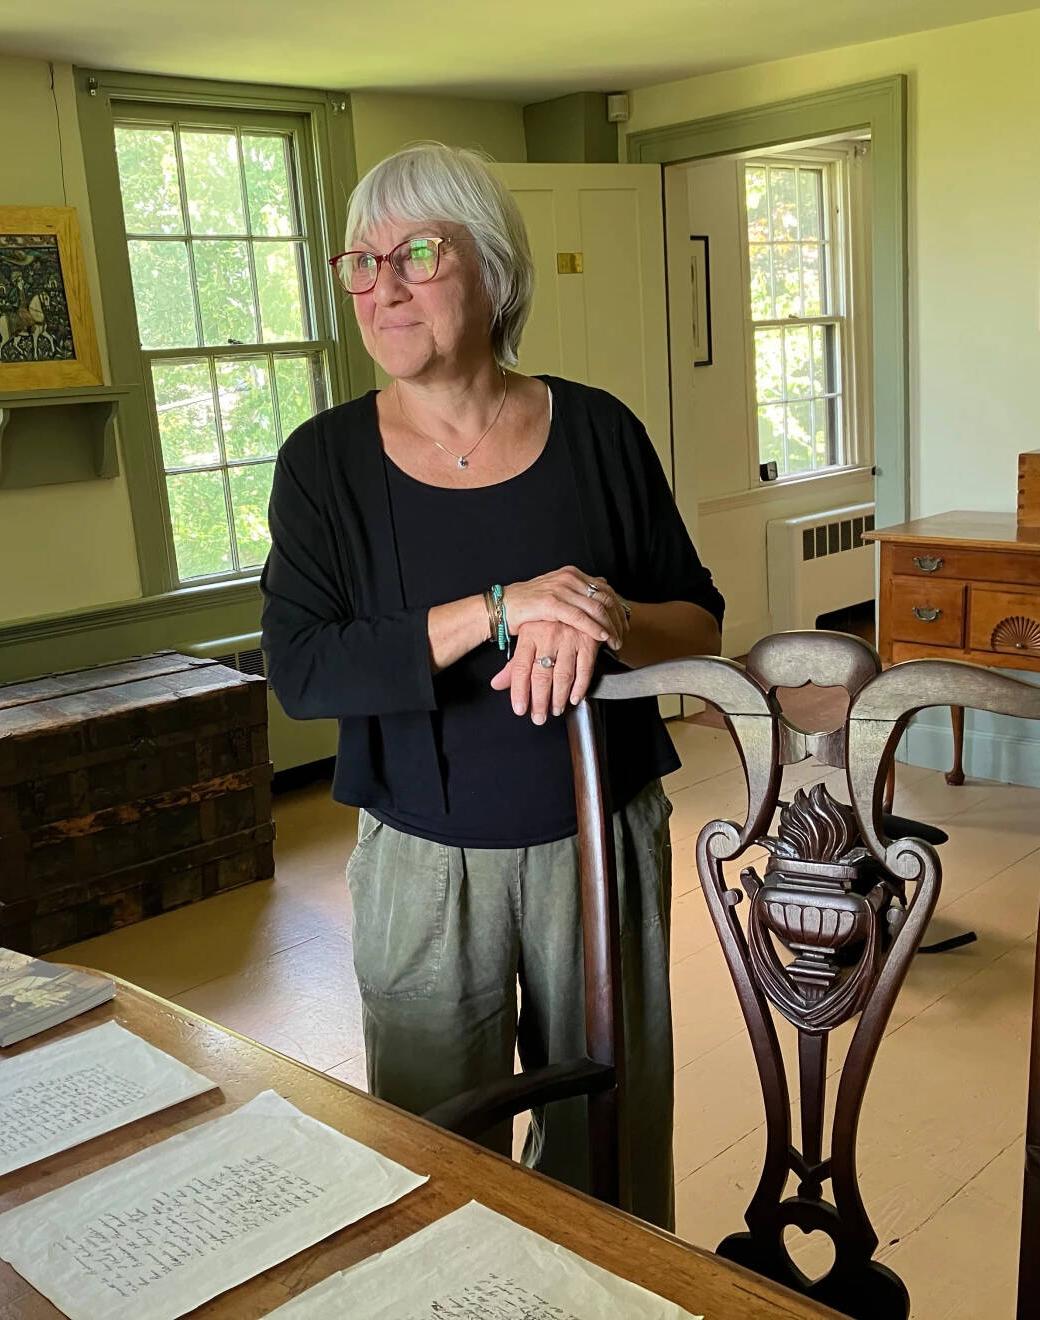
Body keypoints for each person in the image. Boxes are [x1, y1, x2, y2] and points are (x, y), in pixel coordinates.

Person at [260, 142, 723, 1229]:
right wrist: (495, 608)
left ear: (493, 267)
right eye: (361, 263)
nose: (383, 285)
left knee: (608, 1142)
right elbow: (302, 667)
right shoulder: (321, 464)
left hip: (600, 843)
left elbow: (698, 622)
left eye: (417, 252)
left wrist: (602, 614)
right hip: (422, 863)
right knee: (430, 1147)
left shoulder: (598, 429)